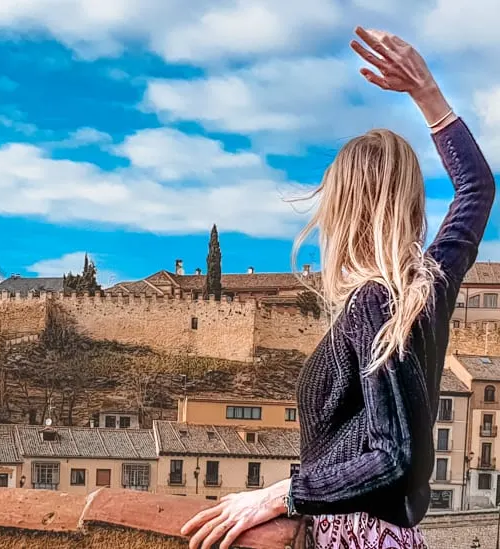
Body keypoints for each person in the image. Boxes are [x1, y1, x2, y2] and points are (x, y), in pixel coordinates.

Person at [181, 26, 496, 549]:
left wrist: (280, 495)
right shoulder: (427, 288)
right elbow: (477, 189)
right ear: (412, 205)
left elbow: (387, 454)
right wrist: (428, 94)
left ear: (344, 208)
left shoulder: (377, 301)